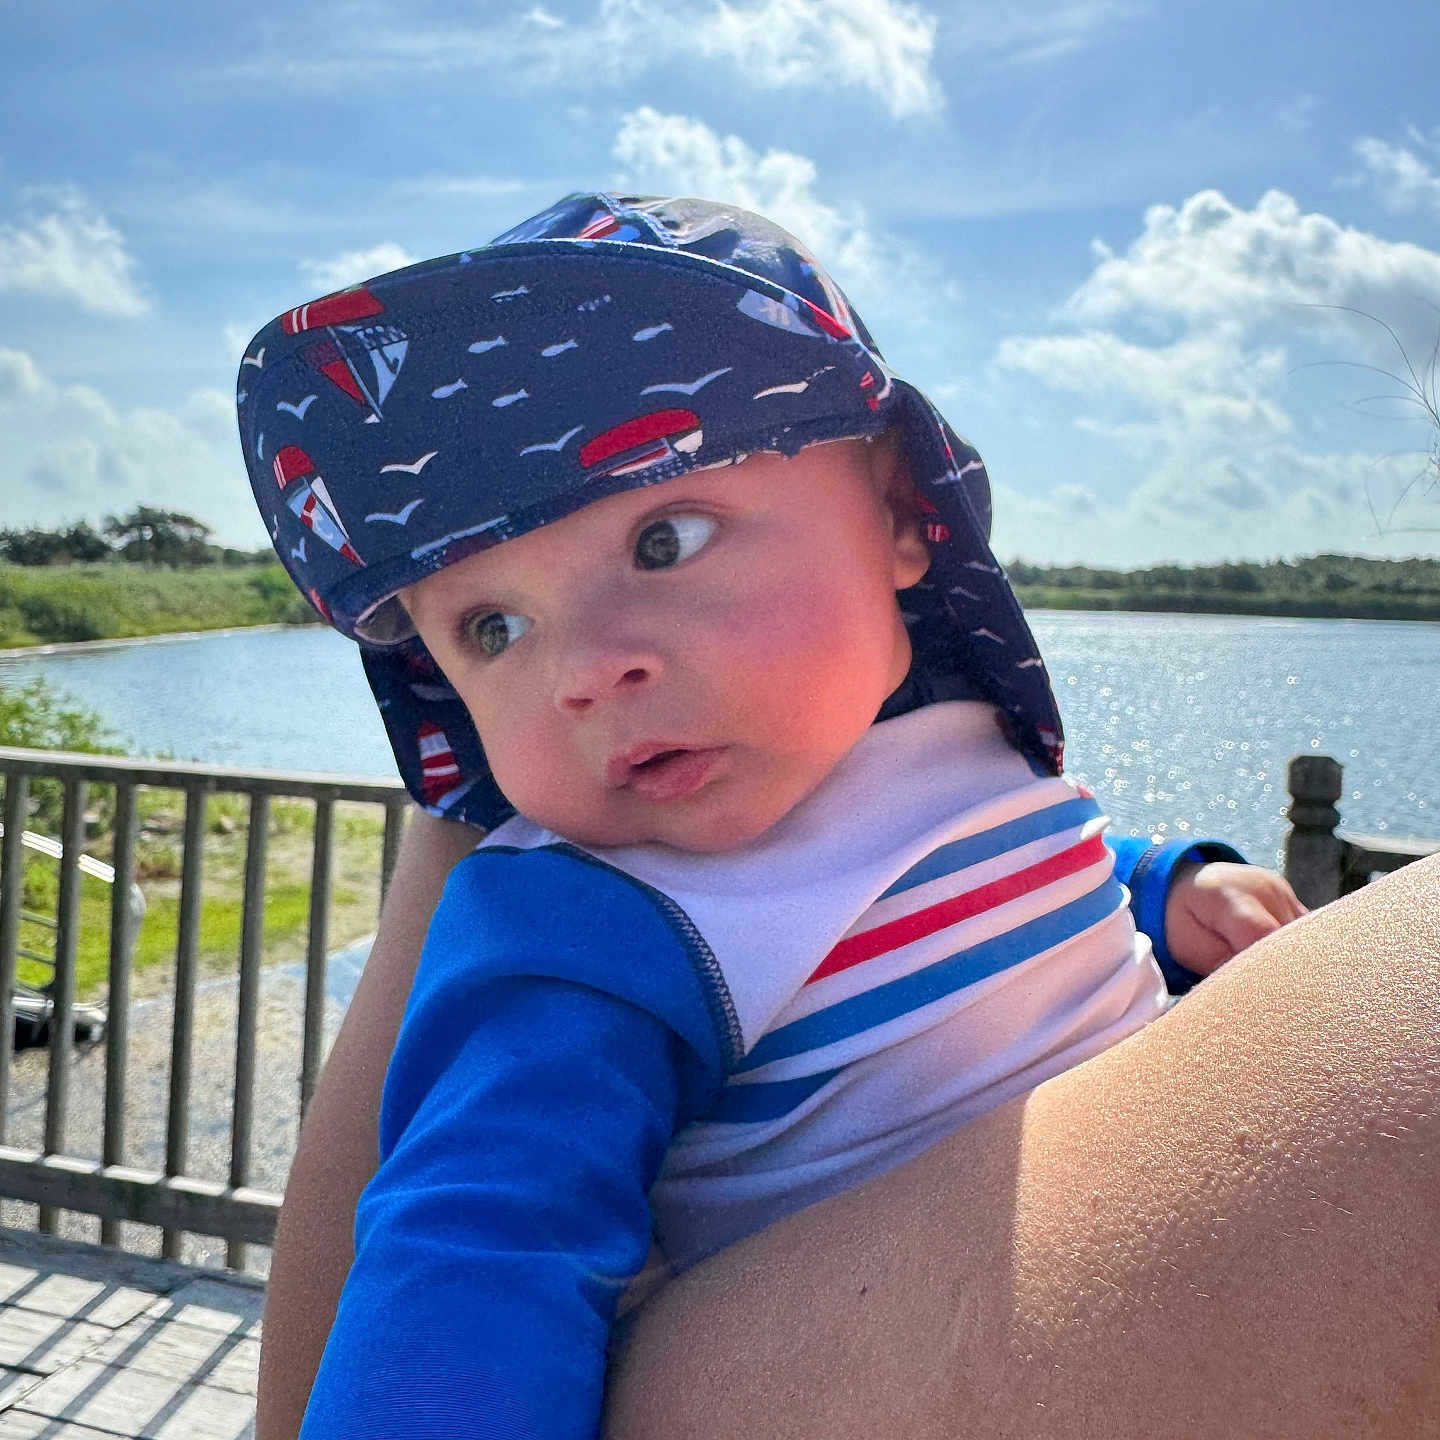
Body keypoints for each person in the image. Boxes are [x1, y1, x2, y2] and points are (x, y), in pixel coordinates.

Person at [238, 193, 1305, 1439]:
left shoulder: (945, 744)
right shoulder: (588, 924)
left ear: (899, 514)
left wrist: (1162, 884)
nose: (586, 670)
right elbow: (470, 1262)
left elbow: (990, 877)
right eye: (495, 626)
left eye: (664, 539)